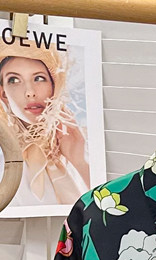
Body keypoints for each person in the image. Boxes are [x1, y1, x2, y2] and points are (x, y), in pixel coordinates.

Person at [0, 37, 90, 206]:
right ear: (3, 94)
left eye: (39, 78)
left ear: (53, 86)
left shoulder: (81, 146)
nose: (30, 92)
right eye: (14, 80)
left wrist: (78, 159)